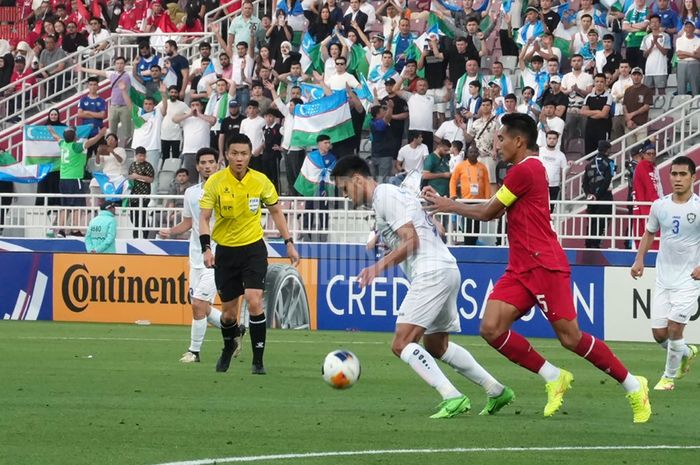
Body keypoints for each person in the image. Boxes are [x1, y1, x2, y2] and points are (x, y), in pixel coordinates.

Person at [422, 113, 651, 423]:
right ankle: (554, 376)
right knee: (491, 328)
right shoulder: (525, 169)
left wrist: (450, 205)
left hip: (544, 265)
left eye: (502, 138)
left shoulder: (526, 170)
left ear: (519, 141)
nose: (498, 144)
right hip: (521, 266)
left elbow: (490, 212)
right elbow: (497, 208)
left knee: (570, 338)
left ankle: (635, 385)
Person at [331, 156, 515, 418]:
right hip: (446, 268)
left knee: (401, 342)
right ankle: (496, 390)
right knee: (437, 346)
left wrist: (377, 267)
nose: (346, 196)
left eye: (345, 189)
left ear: (358, 180)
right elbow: (433, 232)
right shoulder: (392, 196)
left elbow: (412, 241)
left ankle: (453, 397)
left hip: (431, 273)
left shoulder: (385, 195)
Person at [199, 133, 300, 374]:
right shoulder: (215, 182)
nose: (239, 158)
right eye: (234, 153)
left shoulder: (261, 181)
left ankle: (258, 361)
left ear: (250, 155)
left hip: (253, 248)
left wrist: (288, 242)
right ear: (227, 154)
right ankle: (228, 346)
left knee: (255, 300)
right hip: (225, 252)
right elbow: (203, 218)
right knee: (228, 314)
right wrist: (206, 248)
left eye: (244, 154)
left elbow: (276, 212)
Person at [631, 156, 699, 391]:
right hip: (663, 278)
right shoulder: (659, 206)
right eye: (674, 174)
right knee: (660, 334)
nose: (677, 179)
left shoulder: (698, 208)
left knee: (674, 328)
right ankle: (687, 351)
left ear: (693, 177)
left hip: (689, 280)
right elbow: (649, 233)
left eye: (683, 174)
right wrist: (639, 260)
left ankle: (668, 378)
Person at [160, 148, 226, 364]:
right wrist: (170, 231)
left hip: (218, 256)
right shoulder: (191, 193)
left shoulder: (226, 189)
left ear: (217, 164)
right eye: (203, 162)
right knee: (201, 306)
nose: (207, 166)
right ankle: (234, 329)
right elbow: (189, 223)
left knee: (198, 304)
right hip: (196, 257)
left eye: (211, 162)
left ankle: (194, 352)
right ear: (197, 166)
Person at [46, 125, 106, 237]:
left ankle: (62, 230)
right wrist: (100, 135)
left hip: (63, 179)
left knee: (66, 206)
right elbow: (90, 142)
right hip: (75, 179)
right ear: (74, 137)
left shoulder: (63, 144)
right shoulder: (76, 147)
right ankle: (73, 229)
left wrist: (51, 130)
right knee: (77, 205)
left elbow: (56, 137)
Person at [295, 135, 337, 242]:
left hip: (324, 192)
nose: (328, 145)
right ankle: (306, 236)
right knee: (309, 213)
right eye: (325, 143)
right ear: (319, 144)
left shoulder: (332, 158)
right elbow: (305, 174)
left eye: (329, 142)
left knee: (324, 214)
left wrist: (327, 190)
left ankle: (324, 237)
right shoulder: (310, 157)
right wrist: (308, 189)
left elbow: (332, 177)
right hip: (311, 190)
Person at [450, 143, 490, 245]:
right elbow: (453, 180)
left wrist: (487, 199)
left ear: (478, 154)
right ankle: (468, 244)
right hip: (466, 200)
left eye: (475, 152)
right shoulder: (461, 166)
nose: (473, 154)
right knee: (467, 226)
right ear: (467, 154)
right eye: (471, 152)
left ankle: (473, 244)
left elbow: (486, 183)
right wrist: (453, 194)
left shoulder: (482, 167)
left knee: (476, 226)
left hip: (479, 201)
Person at [582, 140, 615, 248]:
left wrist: (589, 195)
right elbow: (607, 181)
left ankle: (588, 244)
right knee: (602, 220)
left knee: (591, 220)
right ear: (608, 150)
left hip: (591, 198)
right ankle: (595, 244)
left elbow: (584, 183)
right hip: (604, 197)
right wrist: (598, 195)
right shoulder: (609, 162)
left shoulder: (589, 163)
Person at [633, 143, 663, 250]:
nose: (651, 156)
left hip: (650, 206)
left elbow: (657, 187)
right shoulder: (642, 166)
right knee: (649, 236)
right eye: (648, 153)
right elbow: (649, 186)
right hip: (645, 207)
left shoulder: (653, 168)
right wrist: (659, 203)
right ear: (643, 155)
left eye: (653, 154)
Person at [128, 146, 155, 239]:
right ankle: (135, 238)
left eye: (143, 156)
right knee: (134, 217)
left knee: (143, 217)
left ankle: (145, 237)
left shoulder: (148, 166)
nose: (142, 158)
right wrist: (132, 177)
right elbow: (130, 177)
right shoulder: (132, 165)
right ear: (136, 156)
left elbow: (151, 179)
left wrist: (138, 176)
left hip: (144, 195)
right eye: (140, 156)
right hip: (133, 194)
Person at [538, 131, 568, 208]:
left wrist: (569, 166)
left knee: (550, 209)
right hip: (540, 184)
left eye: (554, 138)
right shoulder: (540, 151)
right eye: (550, 138)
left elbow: (565, 171)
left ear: (557, 140)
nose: (551, 140)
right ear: (546, 139)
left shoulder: (561, 155)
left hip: (554, 186)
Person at [623, 67, 653, 145]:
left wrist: (631, 115)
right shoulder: (628, 90)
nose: (636, 77)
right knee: (631, 150)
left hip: (641, 125)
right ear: (631, 76)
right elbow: (624, 106)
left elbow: (646, 107)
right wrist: (628, 120)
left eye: (638, 75)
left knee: (641, 149)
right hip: (629, 125)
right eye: (634, 75)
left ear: (642, 76)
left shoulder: (647, 90)